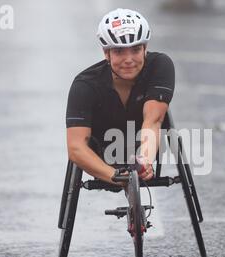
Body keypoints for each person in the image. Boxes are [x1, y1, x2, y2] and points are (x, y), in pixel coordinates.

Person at [66, 8, 175, 185]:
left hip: (144, 145)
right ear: (106, 53)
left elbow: (153, 120)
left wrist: (144, 161)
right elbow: (76, 147)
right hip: (103, 155)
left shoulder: (160, 65)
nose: (128, 59)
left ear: (145, 49)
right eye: (119, 51)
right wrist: (117, 177)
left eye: (136, 49)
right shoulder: (84, 85)